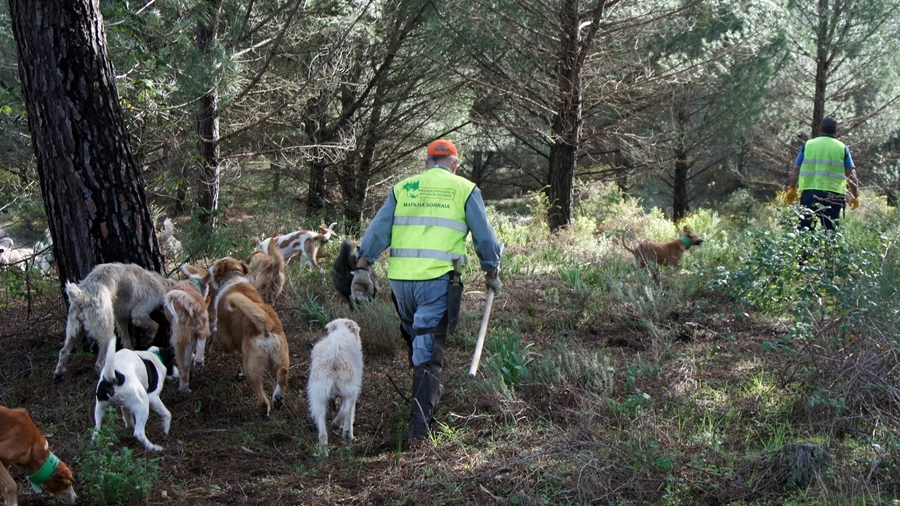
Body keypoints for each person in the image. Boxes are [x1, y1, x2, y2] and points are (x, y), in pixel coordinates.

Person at [350, 139, 502, 446]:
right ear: (455, 165)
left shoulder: (403, 188)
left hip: (401, 283)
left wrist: (363, 266)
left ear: (426, 162)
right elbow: (484, 237)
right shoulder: (465, 189)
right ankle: (419, 433)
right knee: (427, 354)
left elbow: (378, 230)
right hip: (436, 281)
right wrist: (492, 271)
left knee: (418, 342)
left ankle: (431, 393)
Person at [786, 116, 860, 230]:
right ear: (836, 132)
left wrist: (792, 187)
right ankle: (829, 248)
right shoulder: (842, 148)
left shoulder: (808, 145)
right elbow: (851, 174)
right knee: (830, 231)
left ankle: (805, 248)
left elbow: (796, 169)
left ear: (820, 130)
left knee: (805, 230)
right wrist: (855, 194)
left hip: (809, 193)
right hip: (834, 196)